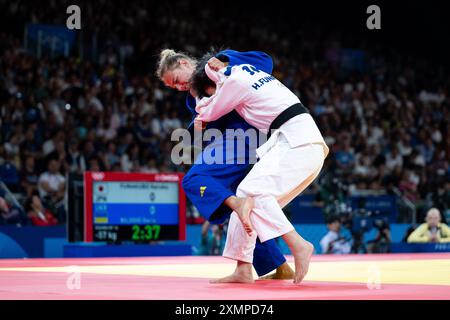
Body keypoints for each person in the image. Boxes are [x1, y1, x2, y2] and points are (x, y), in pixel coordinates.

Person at [156, 49, 294, 280]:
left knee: (194, 180)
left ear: (183, 63)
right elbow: (212, 125)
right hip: (247, 143)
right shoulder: (194, 98)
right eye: (173, 87)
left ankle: (237, 205)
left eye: (177, 80)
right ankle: (278, 266)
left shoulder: (217, 61)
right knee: (242, 210)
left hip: (249, 137)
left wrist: (227, 63)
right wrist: (199, 129)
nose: (179, 87)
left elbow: (266, 62)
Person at [192, 60, 329, 284]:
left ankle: (298, 244)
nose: (213, 96)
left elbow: (207, 112)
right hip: (302, 143)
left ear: (214, 81)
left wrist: (198, 95)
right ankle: (243, 269)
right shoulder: (247, 72)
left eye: (211, 92)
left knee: (249, 192)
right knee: (245, 199)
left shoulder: (232, 80)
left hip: (297, 143)